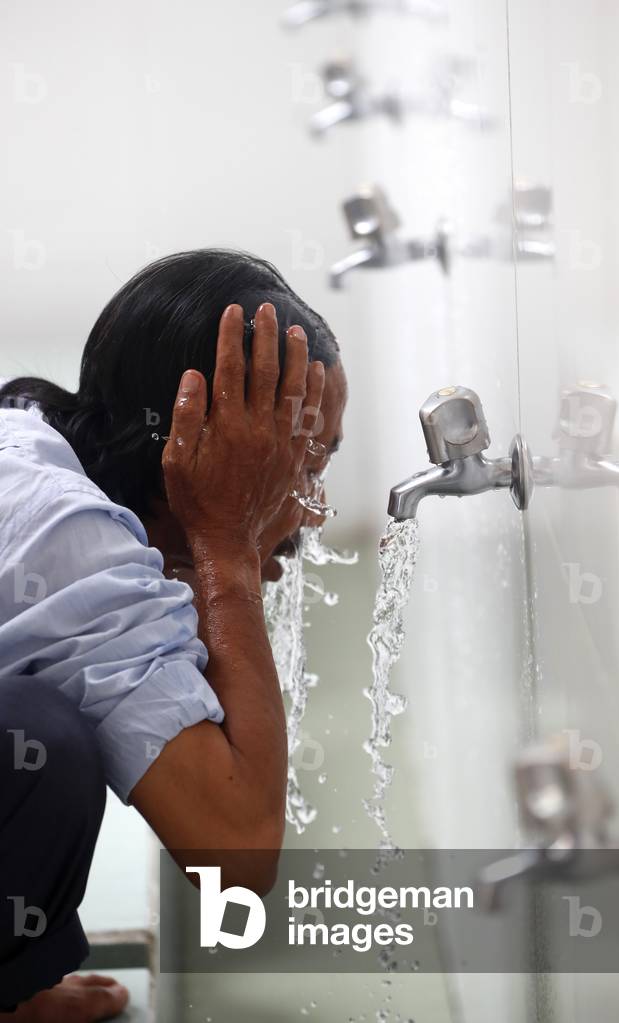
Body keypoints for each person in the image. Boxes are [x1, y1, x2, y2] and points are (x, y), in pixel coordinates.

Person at [0, 249, 347, 1021]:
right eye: (298, 462)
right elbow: (235, 852)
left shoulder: (32, 443)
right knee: (37, 740)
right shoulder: (68, 537)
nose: (314, 508)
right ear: (208, 448)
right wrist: (226, 539)